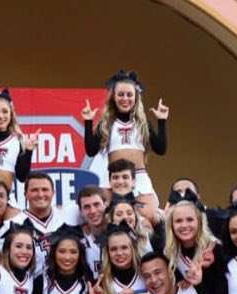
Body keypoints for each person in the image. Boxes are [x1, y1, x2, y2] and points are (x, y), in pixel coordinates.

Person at [83, 70, 168, 214]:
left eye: (129, 95)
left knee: (148, 217)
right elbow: (91, 150)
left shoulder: (142, 123)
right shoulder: (107, 123)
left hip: (139, 176)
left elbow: (160, 149)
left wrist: (161, 121)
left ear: (136, 97)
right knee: (107, 217)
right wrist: (88, 122)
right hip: (114, 178)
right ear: (113, 98)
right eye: (120, 94)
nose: (125, 99)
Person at [163, 200, 226, 294]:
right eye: (178, 221)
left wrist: (199, 283)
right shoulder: (168, 254)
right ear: (171, 225)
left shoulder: (216, 251)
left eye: (190, 219)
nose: (184, 225)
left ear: (200, 221)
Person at [9, 172, 79, 274]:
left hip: (64, 284)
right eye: (34, 190)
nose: (40, 194)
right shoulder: (15, 224)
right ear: (25, 194)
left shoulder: (69, 216)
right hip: (31, 284)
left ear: (53, 192)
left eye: (45, 190)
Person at [32, 226, 94, 294]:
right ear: (54, 253)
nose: (67, 257)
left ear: (80, 255)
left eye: (73, 252)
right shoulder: (42, 279)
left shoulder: (88, 281)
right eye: (62, 251)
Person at [93, 224, 145, 294]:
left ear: (132, 249)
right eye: (113, 249)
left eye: (124, 248)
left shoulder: (145, 275)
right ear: (108, 253)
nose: (119, 253)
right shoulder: (101, 283)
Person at [77, 186, 109, 277]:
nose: (93, 211)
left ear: (105, 205)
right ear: (80, 211)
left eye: (96, 204)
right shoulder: (76, 240)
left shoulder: (119, 233)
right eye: (86, 207)